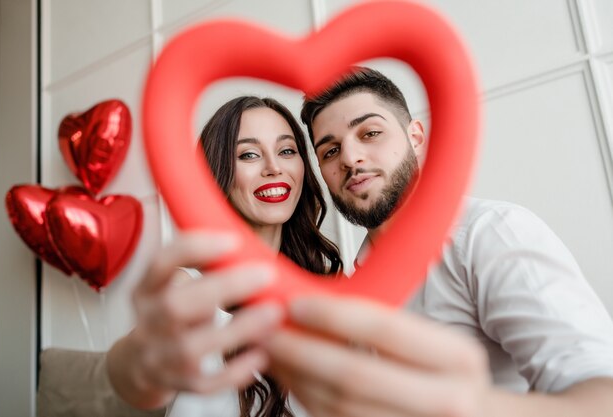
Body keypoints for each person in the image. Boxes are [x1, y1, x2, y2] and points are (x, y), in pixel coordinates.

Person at [257, 67, 613, 417]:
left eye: (369, 133)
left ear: (415, 136)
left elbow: (602, 395)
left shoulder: (490, 233)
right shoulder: (354, 283)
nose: (350, 159)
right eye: (330, 151)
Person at [106, 96, 341, 417]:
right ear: (219, 173)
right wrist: (134, 361)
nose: (274, 167)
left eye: (287, 151)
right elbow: (132, 375)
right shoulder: (189, 290)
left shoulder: (329, 289)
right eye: (248, 154)